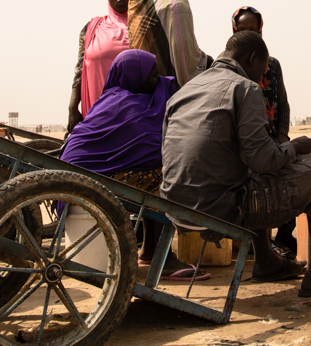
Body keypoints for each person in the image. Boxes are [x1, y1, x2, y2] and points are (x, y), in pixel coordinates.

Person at [160, 31, 311, 297]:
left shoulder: (184, 91)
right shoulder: (245, 88)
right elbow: (265, 160)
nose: (261, 79)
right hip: (217, 210)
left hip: (175, 207)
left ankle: (266, 261)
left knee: (245, 172)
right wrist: (295, 147)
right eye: (262, 71)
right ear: (253, 59)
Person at [60, 49, 203, 279]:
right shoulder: (127, 107)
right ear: (134, 77)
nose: (159, 81)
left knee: (149, 171)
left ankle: (147, 249)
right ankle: (162, 257)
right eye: (153, 76)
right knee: (165, 175)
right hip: (92, 179)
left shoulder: (113, 97)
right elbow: (153, 150)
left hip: (88, 174)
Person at [232, 6, 295, 256]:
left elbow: (283, 103)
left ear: (260, 30)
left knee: (286, 180)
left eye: (253, 29)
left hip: (273, 139)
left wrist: (281, 137)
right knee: (253, 190)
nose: (249, 33)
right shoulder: (228, 65)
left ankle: (283, 237)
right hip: (245, 140)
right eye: (243, 29)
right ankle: (257, 245)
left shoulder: (273, 65)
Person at [127, 0, 209, 85]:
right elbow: (184, 53)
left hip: (142, 81)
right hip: (168, 85)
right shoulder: (176, 1)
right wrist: (207, 60)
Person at [67, 0, 134, 131]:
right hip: (96, 107)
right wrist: (72, 107)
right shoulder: (92, 28)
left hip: (132, 110)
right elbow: (79, 70)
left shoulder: (144, 26)